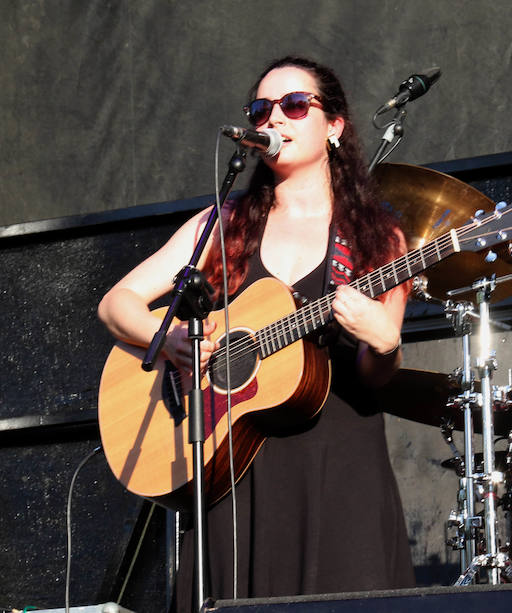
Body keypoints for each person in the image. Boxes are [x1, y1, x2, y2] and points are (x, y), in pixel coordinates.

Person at [97, 56, 415, 608]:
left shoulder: (375, 233)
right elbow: (116, 303)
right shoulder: (224, 223)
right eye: (261, 110)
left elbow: (375, 374)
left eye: (294, 105)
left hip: (336, 469)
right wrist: (166, 338)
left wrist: (384, 343)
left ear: (334, 126)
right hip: (232, 462)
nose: (275, 120)